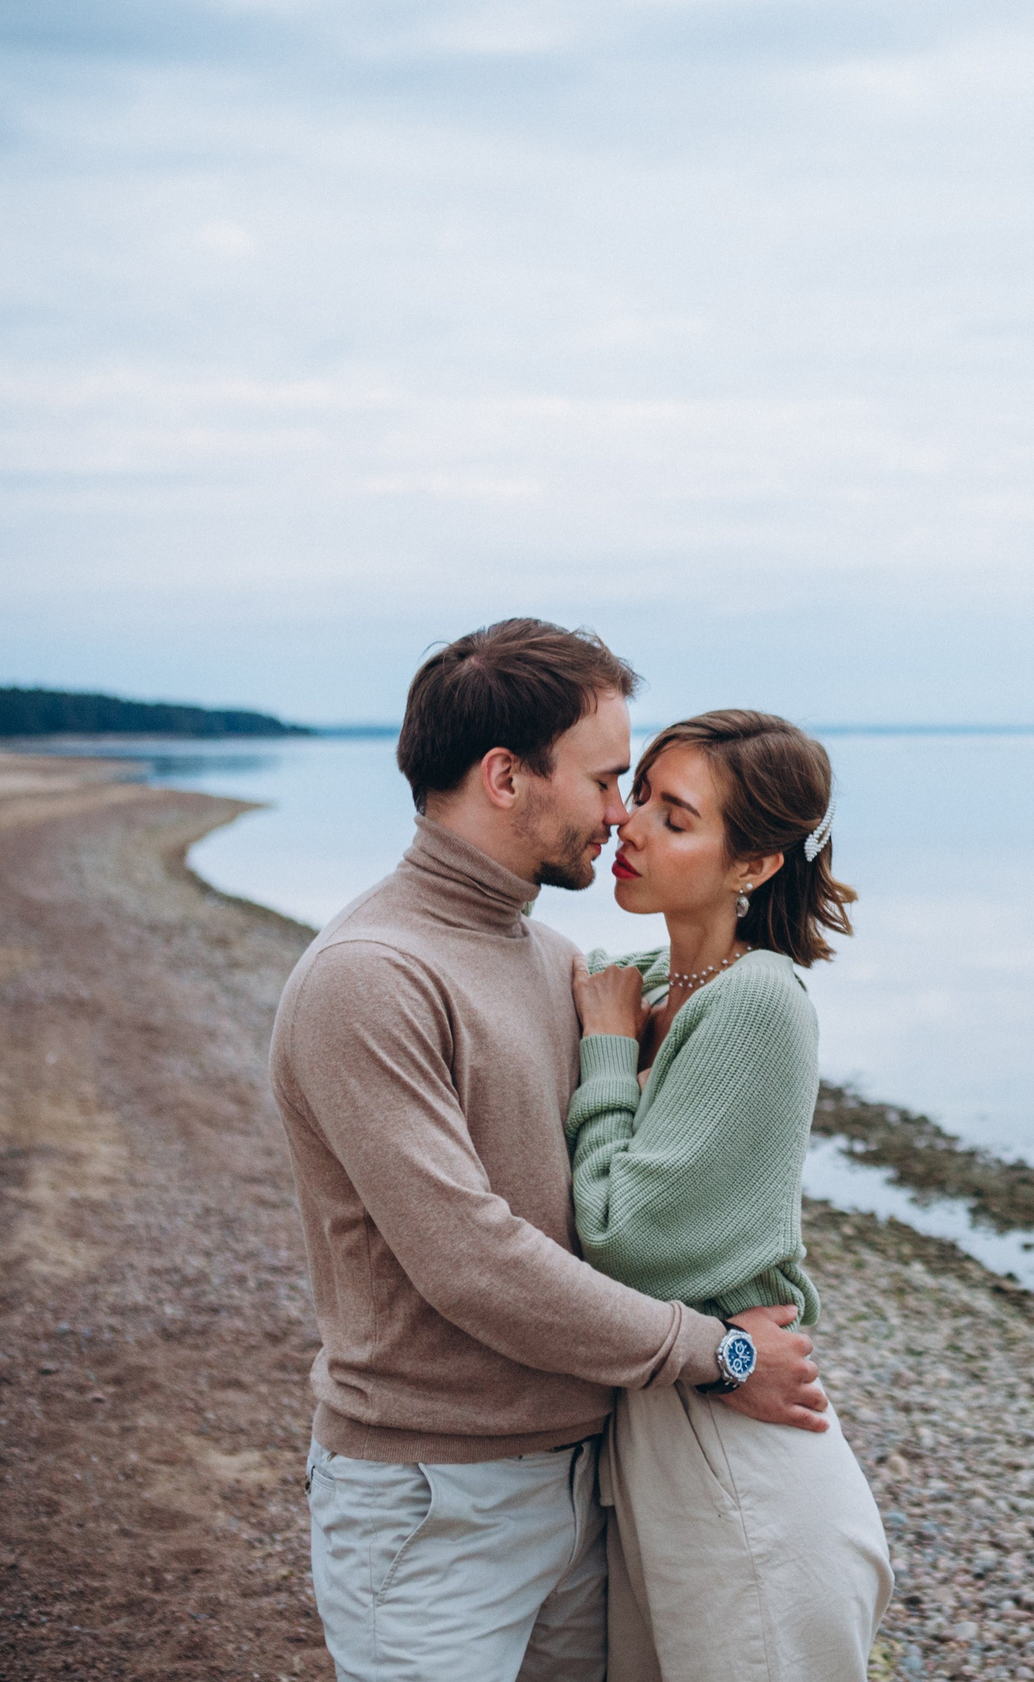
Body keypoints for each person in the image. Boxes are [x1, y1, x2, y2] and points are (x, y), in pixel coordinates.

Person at [270, 620, 828, 1682]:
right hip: (436, 1501)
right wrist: (722, 1355)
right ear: (506, 778)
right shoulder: (370, 977)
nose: (621, 816)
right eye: (610, 779)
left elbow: (658, 1140)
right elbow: (472, 1260)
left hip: (589, 1477)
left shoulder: (560, 958)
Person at [569, 709, 892, 1681]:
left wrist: (606, 1053)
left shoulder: (759, 998)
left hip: (740, 1453)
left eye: (675, 818)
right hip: (679, 1424)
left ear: (752, 865)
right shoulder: (649, 981)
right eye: (637, 799)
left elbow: (620, 1238)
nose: (629, 827)